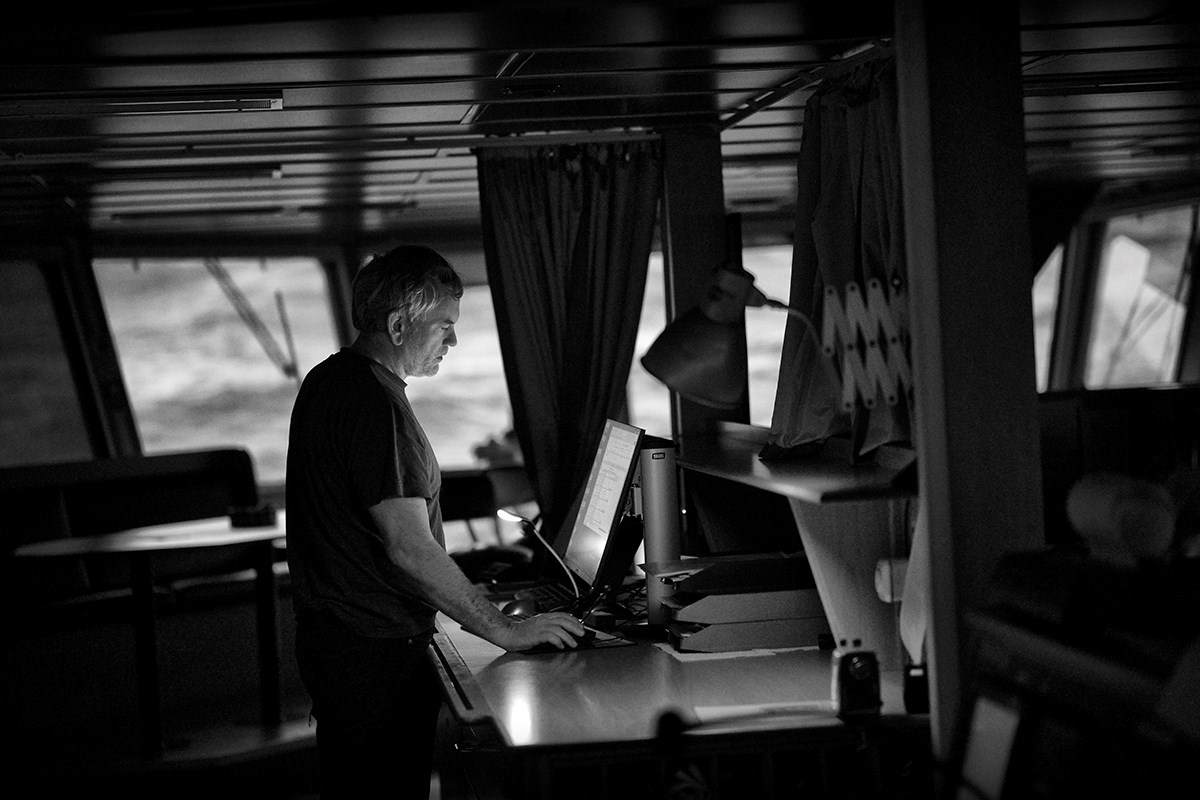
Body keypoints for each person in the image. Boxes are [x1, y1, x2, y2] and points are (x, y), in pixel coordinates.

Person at [285, 244, 584, 799]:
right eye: (443, 325)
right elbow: (409, 548)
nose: (452, 340)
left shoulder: (327, 381)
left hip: (339, 643)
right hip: (373, 652)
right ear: (399, 325)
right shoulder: (376, 406)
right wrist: (504, 629)